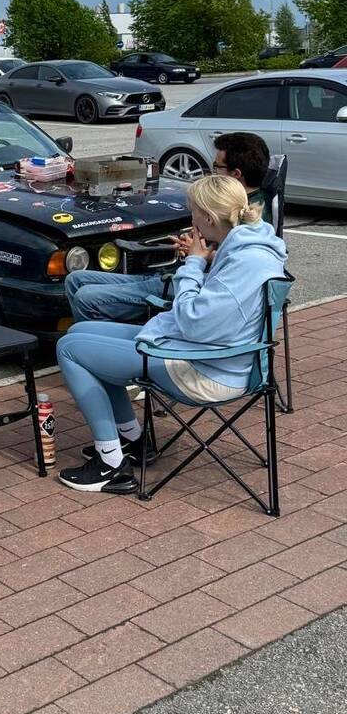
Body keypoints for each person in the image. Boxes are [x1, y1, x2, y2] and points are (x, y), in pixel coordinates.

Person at [54, 174, 287, 494]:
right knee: (81, 331)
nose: (191, 220)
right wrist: (208, 258)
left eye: (193, 212)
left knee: (70, 349)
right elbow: (220, 305)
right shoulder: (253, 244)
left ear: (207, 218)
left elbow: (193, 320)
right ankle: (133, 440)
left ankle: (111, 465)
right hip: (217, 355)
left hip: (206, 370)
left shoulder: (244, 261)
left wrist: (194, 264)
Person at [65, 131, 271, 324]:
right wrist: (196, 250)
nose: (212, 172)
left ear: (236, 174)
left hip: (186, 286)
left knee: (86, 297)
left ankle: (106, 341)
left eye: (217, 167)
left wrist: (199, 257)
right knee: (75, 280)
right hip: (175, 275)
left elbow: (235, 268)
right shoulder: (240, 204)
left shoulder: (247, 213)